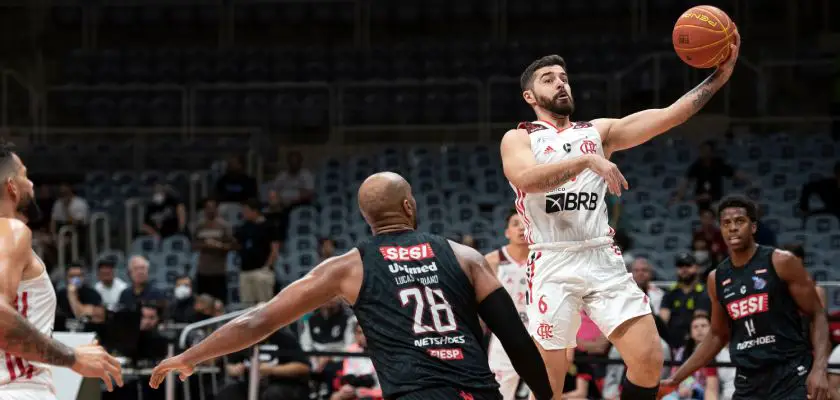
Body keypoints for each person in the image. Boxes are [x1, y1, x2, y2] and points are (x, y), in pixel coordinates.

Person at [150, 172, 554, 400]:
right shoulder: (464, 257)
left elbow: (258, 321)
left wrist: (192, 355)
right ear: (409, 206)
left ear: (367, 218)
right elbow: (517, 340)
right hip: (479, 393)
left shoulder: (347, 268)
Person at [498, 34, 740, 399]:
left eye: (563, 76)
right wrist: (585, 161)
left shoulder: (599, 132)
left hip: (599, 256)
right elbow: (526, 179)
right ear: (530, 97)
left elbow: (669, 116)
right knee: (549, 383)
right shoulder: (519, 139)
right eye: (548, 78)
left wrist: (718, 78)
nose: (560, 82)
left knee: (648, 358)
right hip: (552, 258)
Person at [663, 195, 831, 400]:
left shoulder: (781, 261)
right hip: (747, 380)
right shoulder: (716, 277)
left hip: (790, 375)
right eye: (726, 223)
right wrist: (676, 379)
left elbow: (817, 314)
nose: (732, 227)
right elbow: (717, 335)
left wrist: (820, 369)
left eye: (739, 221)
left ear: (753, 227)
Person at [0, 143, 123, 398]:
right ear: (11, 186)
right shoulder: (11, 230)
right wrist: (72, 357)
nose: (31, 184)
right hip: (16, 389)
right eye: (24, 174)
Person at [484, 210, 531, 400]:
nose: (521, 227)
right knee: (499, 394)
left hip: (538, 334)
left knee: (544, 391)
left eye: (525, 223)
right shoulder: (492, 260)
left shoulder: (544, 260)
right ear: (506, 232)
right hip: (504, 336)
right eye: (515, 223)